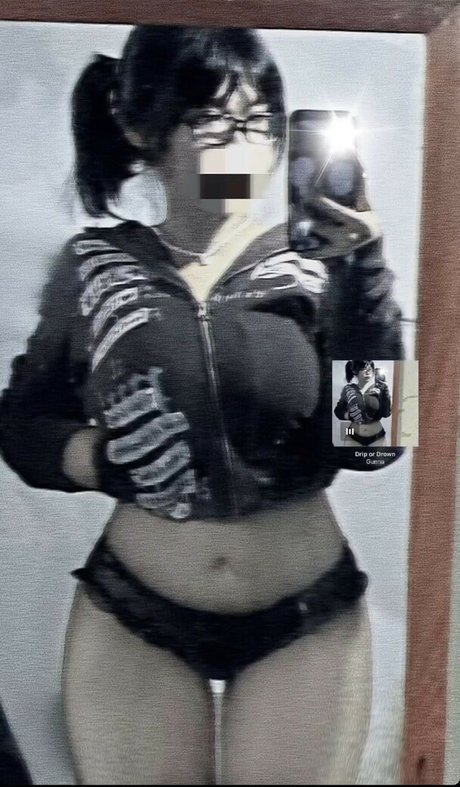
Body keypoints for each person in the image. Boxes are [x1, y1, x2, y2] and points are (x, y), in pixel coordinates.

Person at [0, 26, 405, 785]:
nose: (241, 146)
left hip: (305, 615)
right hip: (134, 613)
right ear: (144, 129)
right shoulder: (93, 266)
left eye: (258, 122)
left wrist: (365, 276)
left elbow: (371, 443)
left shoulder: (323, 266)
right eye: (212, 121)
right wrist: (98, 458)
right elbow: (22, 424)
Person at [334, 360, 392, 447]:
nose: (368, 371)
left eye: (370, 368)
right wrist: (348, 415)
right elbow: (338, 411)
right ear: (355, 371)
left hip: (377, 437)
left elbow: (386, 414)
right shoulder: (348, 389)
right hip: (352, 436)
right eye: (364, 368)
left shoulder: (380, 389)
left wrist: (385, 392)